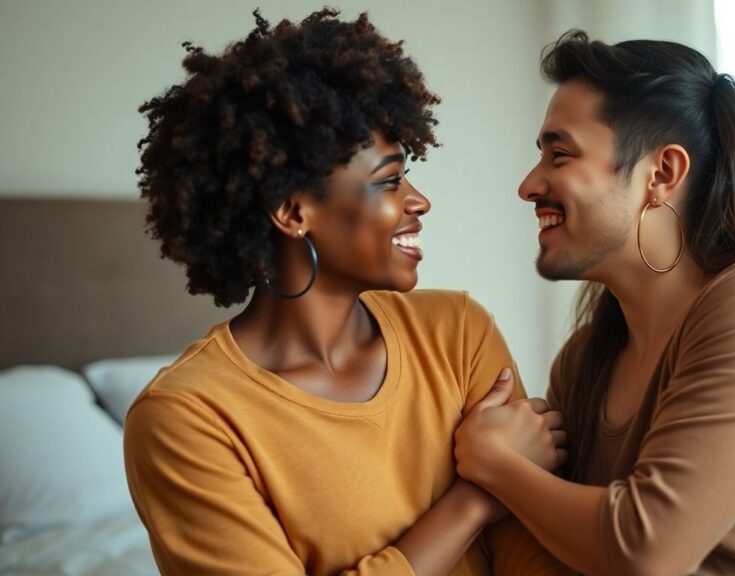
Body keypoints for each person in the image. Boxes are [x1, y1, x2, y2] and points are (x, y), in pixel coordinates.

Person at [124, 9, 570, 576]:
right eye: (388, 181)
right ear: (292, 212)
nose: (419, 201)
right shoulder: (188, 417)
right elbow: (501, 500)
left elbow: (534, 558)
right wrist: (477, 496)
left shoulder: (456, 332)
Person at [454, 30, 735, 575]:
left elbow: (647, 548)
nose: (529, 185)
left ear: (662, 174)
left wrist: (495, 464)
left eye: (560, 154)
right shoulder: (584, 360)